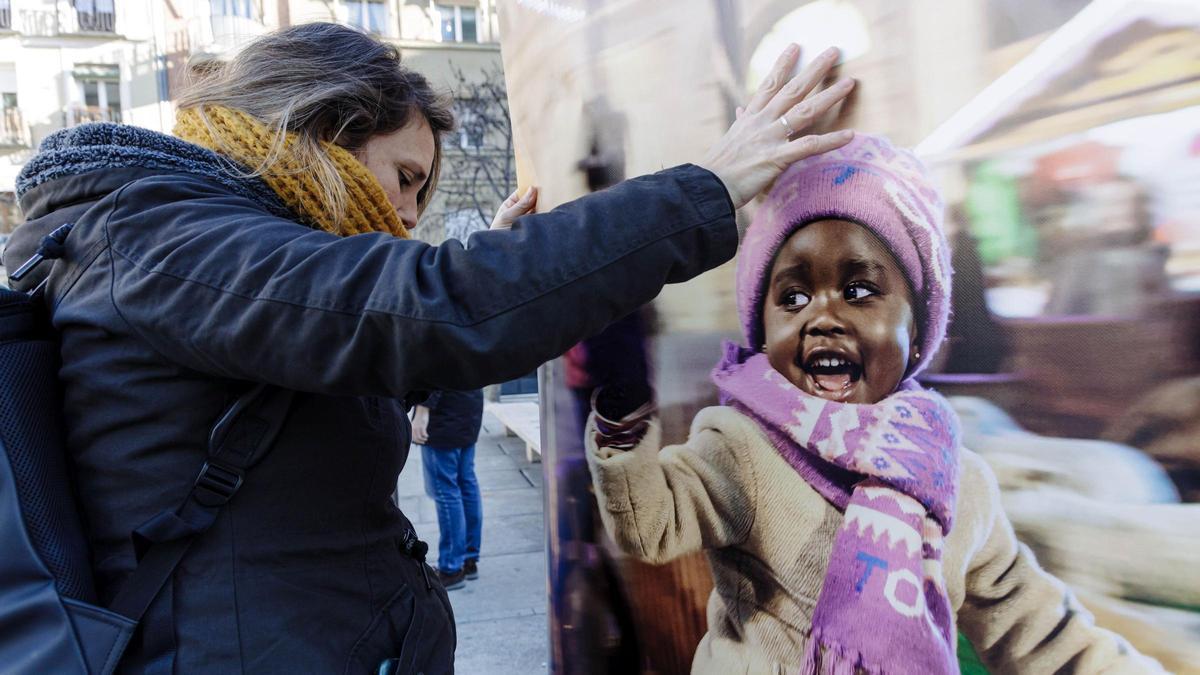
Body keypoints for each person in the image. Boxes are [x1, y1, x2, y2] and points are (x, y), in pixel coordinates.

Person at [1, 22, 856, 674]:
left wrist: (504, 264)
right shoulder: (163, 234)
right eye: (405, 177)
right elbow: (436, 311)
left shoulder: (184, 233)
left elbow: (358, 343)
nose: (409, 213)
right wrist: (710, 187)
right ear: (321, 129)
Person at [584, 135, 1162, 674]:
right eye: (793, 297)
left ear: (919, 327)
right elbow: (652, 527)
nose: (822, 316)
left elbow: (1037, 630)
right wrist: (622, 419)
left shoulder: (958, 482)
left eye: (859, 291)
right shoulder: (742, 446)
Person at [411, 390, 484, 589]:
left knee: (446, 491)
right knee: (466, 484)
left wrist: (422, 409)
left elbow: (435, 371)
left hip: (444, 414)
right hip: (469, 407)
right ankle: (468, 560)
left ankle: (451, 568)